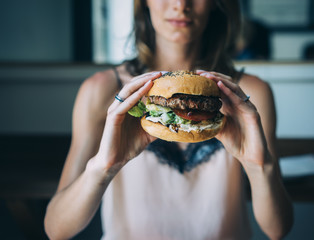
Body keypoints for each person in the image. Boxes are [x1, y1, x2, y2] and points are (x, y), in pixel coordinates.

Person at [44, 0, 293, 239]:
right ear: (144, 3)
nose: (180, 5)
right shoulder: (102, 90)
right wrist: (103, 168)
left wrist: (259, 166)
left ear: (215, 3)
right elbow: (56, 229)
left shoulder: (248, 95)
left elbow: (277, 229)